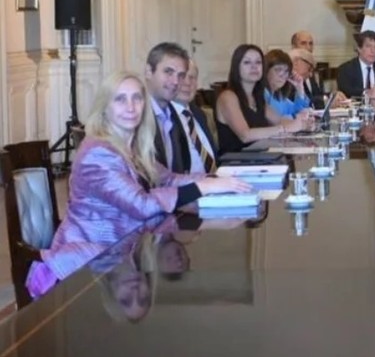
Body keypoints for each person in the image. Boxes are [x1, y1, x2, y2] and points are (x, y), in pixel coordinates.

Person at [25, 72, 250, 298]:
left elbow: (169, 178)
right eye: (120, 99)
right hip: (89, 261)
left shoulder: (132, 146)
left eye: (137, 98)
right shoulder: (97, 152)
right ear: (105, 107)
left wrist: (216, 180)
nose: (131, 106)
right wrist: (203, 188)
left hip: (125, 253)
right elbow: (140, 205)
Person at [215, 44, 312, 154]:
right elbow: (245, 135)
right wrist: (285, 128)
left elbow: (279, 120)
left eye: (258, 62)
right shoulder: (228, 97)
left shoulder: (257, 96)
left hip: (259, 157)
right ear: (236, 67)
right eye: (247, 62)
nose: (254, 67)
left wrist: (303, 124)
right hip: (235, 164)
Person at [144, 42, 192, 173]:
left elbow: (182, 169)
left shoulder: (174, 114)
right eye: (168, 72)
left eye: (181, 75)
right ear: (148, 72)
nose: (176, 82)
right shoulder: (135, 115)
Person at [171, 59, 219, 174]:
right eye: (182, 77)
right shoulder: (164, 118)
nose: (188, 83)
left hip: (216, 183)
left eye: (192, 77)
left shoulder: (199, 114)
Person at [263, 49, 309, 117]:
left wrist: (300, 88)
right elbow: (274, 121)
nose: (282, 75)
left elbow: (297, 111)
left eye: (286, 71)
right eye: (278, 69)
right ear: (266, 70)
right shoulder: (262, 93)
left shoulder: (279, 96)